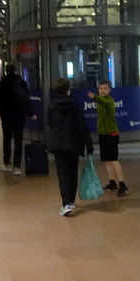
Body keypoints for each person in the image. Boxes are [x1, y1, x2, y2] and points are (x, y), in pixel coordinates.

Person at [47, 77, 93, 217]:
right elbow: (82, 126)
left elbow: (50, 123)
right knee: (73, 171)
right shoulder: (76, 105)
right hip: (74, 142)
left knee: (63, 173)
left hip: (58, 143)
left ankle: (66, 203)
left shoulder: (52, 106)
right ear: (68, 89)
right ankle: (71, 200)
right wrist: (88, 145)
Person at [0, 62, 35, 175]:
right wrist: (31, 113)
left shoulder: (1, 84)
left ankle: (7, 164)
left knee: (7, 139)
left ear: (5, 71)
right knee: (19, 139)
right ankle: (17, 166)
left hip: (6, 115)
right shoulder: (22, 83)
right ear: (15, 70)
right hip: (19, 115)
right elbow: (26, 99)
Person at [87, 80, 128, 195]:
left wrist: (94, 97)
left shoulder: (109, 101)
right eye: (100, 88)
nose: (102, 90)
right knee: (107, 160)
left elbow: (102, 101)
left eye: (105, 88)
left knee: (113, 159)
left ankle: (122, 184)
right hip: (103, 134)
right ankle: (112, 182)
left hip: (112, 134)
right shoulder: (100, 102)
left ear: (109, 90)